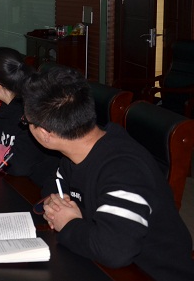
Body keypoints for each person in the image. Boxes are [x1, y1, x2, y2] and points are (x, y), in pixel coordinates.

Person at [22, 67, 194, 280]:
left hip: (149, 273)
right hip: (100, 263)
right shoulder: (78, 150)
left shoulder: (124, 169)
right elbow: (55, 181)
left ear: (45, 134)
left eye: (26, 121)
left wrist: (68, 223)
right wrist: (55, 202)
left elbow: (115, 251)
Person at [0, 47, 58, 187]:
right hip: (15, 183)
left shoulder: (30, 111)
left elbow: (19, 164)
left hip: (35, 189)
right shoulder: (7, 106)